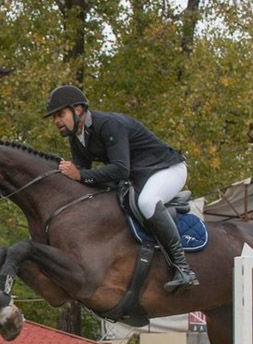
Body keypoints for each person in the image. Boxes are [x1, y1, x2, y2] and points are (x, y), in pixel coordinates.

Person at [44, 85, 198, 293]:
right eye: (54, 117)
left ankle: (183, 268)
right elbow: (82, 175)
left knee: (147, 202)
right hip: (141, 176)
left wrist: (79, 174)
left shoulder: (109, 124)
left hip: (167, 169)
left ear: (78, 109)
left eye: (60, 114)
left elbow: (120, 169)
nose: (56, 122)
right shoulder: (77, 136)